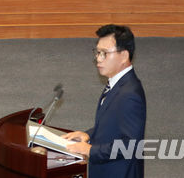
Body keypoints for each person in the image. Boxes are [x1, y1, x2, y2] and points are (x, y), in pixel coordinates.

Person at [62, 24, 146, 178]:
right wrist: (88, 135)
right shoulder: (117, 83)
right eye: (97, 52)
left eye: (104, 53)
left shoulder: (130, 94)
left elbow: (130, 145)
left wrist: (89, 150)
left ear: (124, 56)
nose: (98, 59)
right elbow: (113, 126)